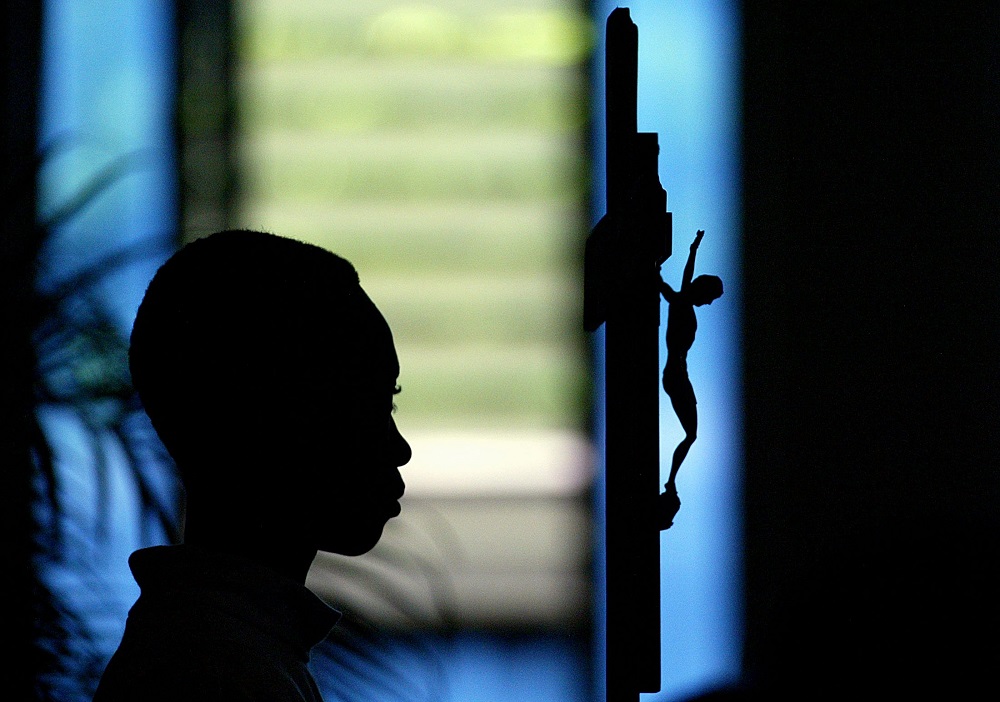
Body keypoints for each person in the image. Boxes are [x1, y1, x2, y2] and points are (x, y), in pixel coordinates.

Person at [93, 230, 411, 701]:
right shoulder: (221, 675)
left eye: (391, 405)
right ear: (267, 419)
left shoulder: (207, 648)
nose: (399, 448)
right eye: (366, 406)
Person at [657, 230, 723, 529]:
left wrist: (694, 247)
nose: (709, 303)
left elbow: (685, 276)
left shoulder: (683, 300)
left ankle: (670, 482)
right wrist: (656, 279)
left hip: (679, 375)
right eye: (710, 297)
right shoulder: (681, 303)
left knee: (692, 434)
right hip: (675, 374)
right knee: (692, 434)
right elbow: (676, 290)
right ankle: (670, 481)